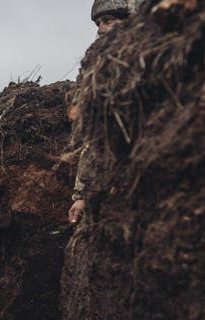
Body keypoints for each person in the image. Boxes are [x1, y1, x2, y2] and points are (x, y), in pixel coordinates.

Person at [68, 0, 143, 224]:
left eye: (108, 21)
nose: (100, 30)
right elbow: (96, 142)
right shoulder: (104, 75)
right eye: (98, 23)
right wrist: (81, 196)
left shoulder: (158, 62)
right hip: (118, 197)